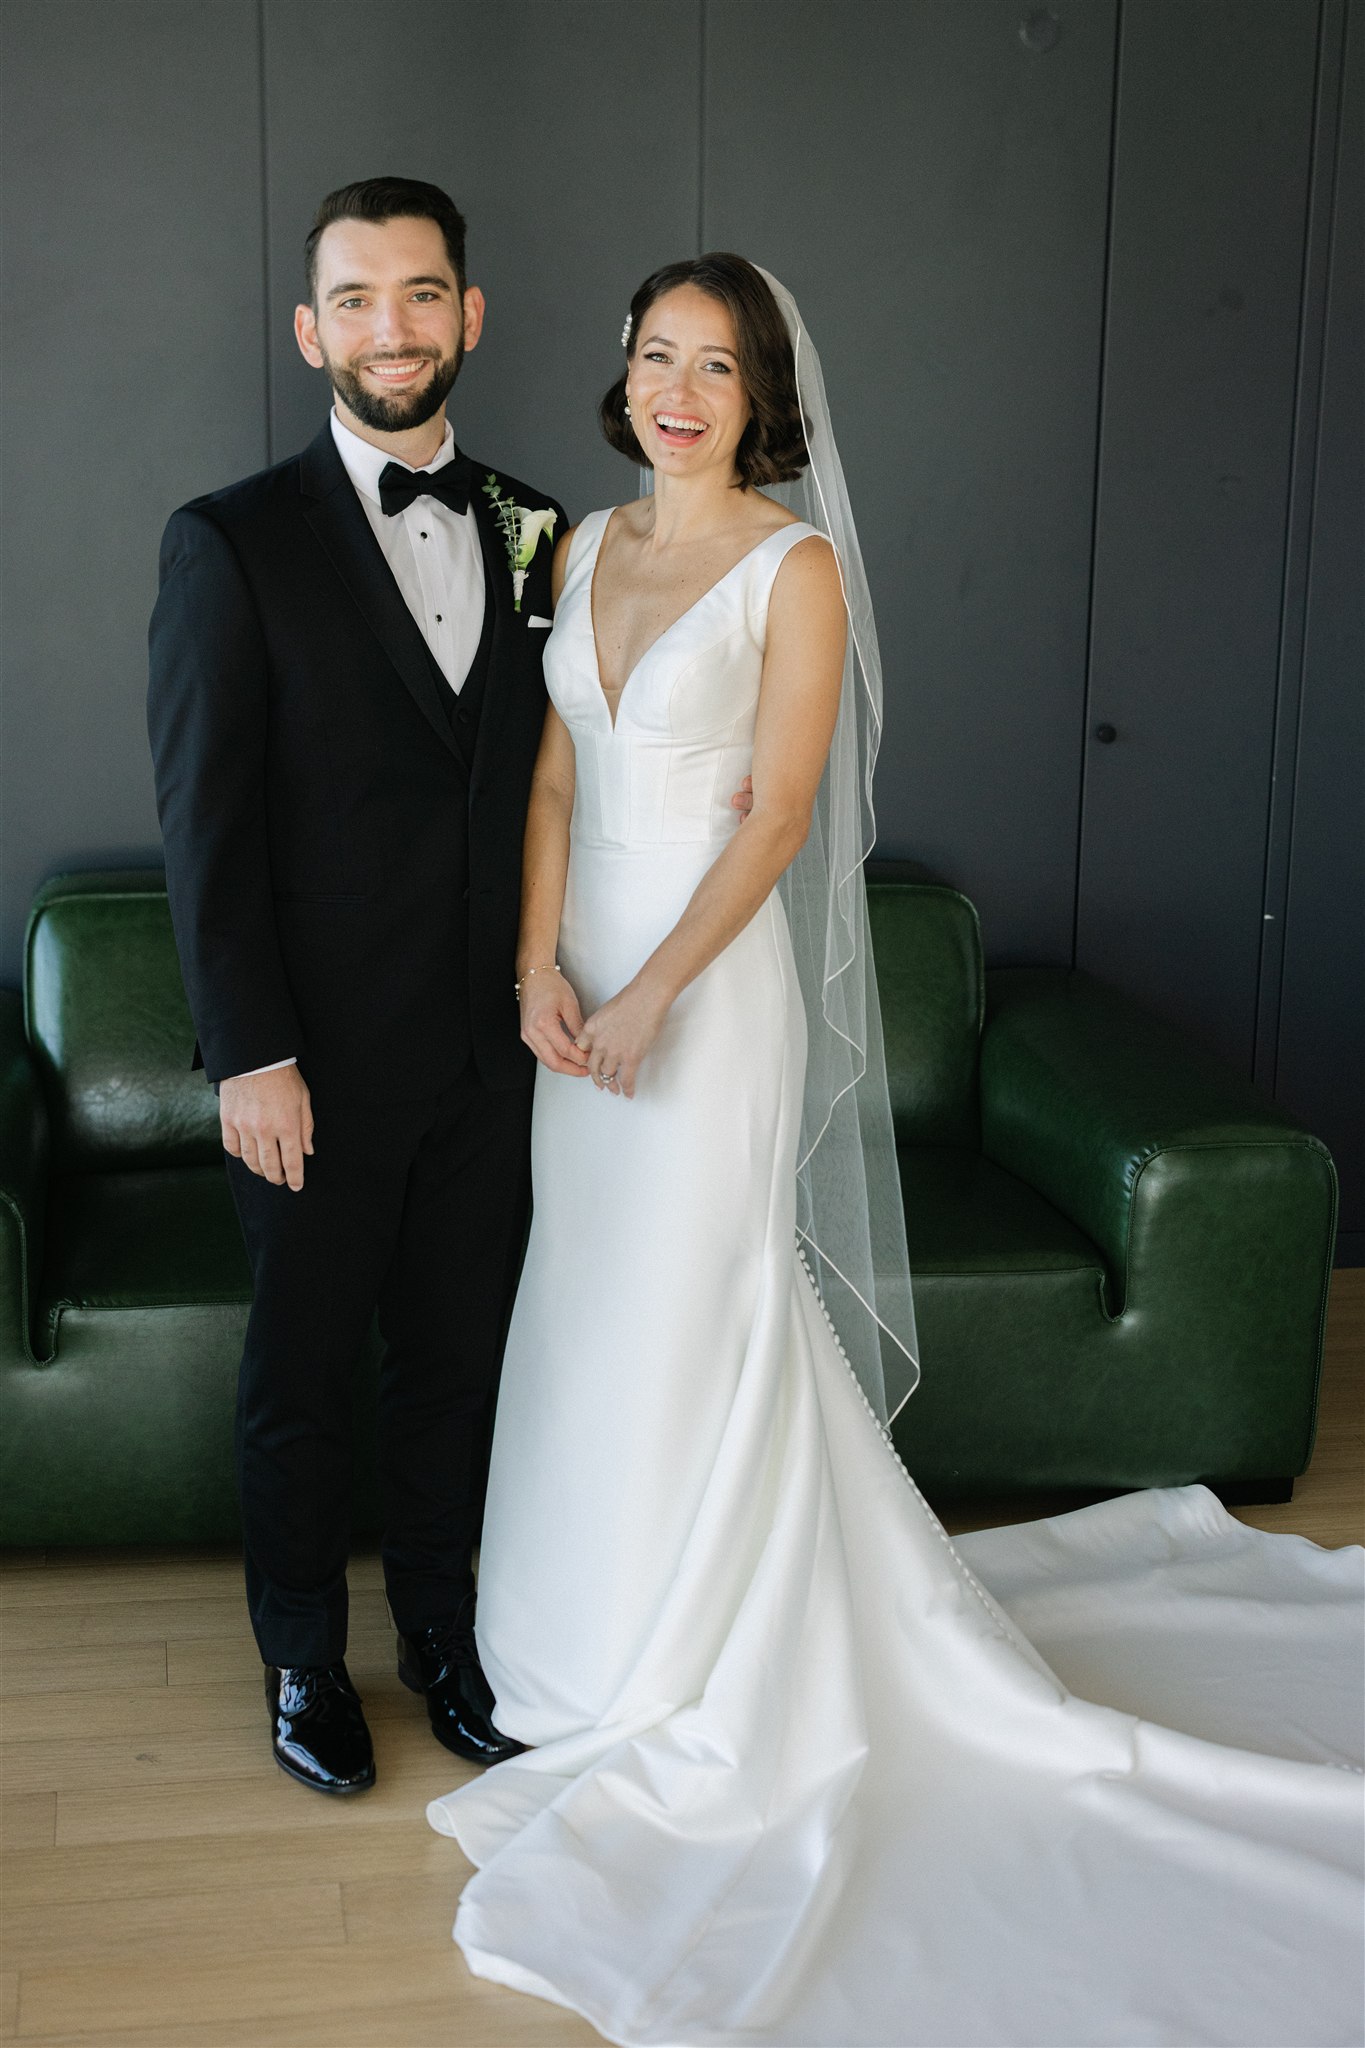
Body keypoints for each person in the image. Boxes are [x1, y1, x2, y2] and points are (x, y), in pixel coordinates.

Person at [426, 254, 1364, 2047]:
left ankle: (700, 1662)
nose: (677, 389)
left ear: (760, 391)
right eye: (652, 358)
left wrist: (651, 1001)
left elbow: (778, 814)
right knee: (586, 1313)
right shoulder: (582, 549)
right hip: (578, 989)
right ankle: (566, 1652)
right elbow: (550, 775)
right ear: (616, 380)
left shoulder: (795, 567)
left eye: (713, 363)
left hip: (706, 996)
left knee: (701, 1311)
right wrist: (542, 968)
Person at [147, 177, 575, 1794]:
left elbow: (545, 779)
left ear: (468, 316)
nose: (390, 326)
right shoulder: (229, 541)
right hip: (309, 1071)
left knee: (460, 1364)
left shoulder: (541, 527)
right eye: (357, 297)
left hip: (495, 1053)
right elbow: (207, 828)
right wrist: (249, 1055)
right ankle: (302, 1665)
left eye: (422, 293)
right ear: (310, 328)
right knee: (305, 1370)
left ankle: (445, 1647)